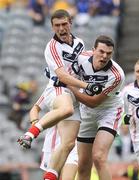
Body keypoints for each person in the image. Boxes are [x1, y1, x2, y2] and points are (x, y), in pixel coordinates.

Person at [17, 9, 103, 180]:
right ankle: (30, 133)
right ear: (52, 27)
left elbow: (81, 67)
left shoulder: (79, 42)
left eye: (64, 24)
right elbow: (63, 76)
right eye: (57, 25)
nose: (61, 28)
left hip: (73, 95)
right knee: (66, 109)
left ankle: (50, 176)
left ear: (70, 23)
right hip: (59, 88)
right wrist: (87, 85)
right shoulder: (52, 47)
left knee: (69, 144)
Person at [66, 35, 125, 180]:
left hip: (108, 112)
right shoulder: (80, 59)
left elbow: (93, 102)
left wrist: (70, 87)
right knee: (83, 165)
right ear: (93, 50)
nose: (105, 56)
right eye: (101, 52)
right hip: (86, 113)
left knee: (99, 157)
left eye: (109, 53)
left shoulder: (117, 75)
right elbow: (66, 75)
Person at [29, 100, 78, 180]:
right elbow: (35, 108)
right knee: (50, 177)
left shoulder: (81, 91)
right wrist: (36, 123)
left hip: (73, 142)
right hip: (53, 142)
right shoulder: (53, 89)